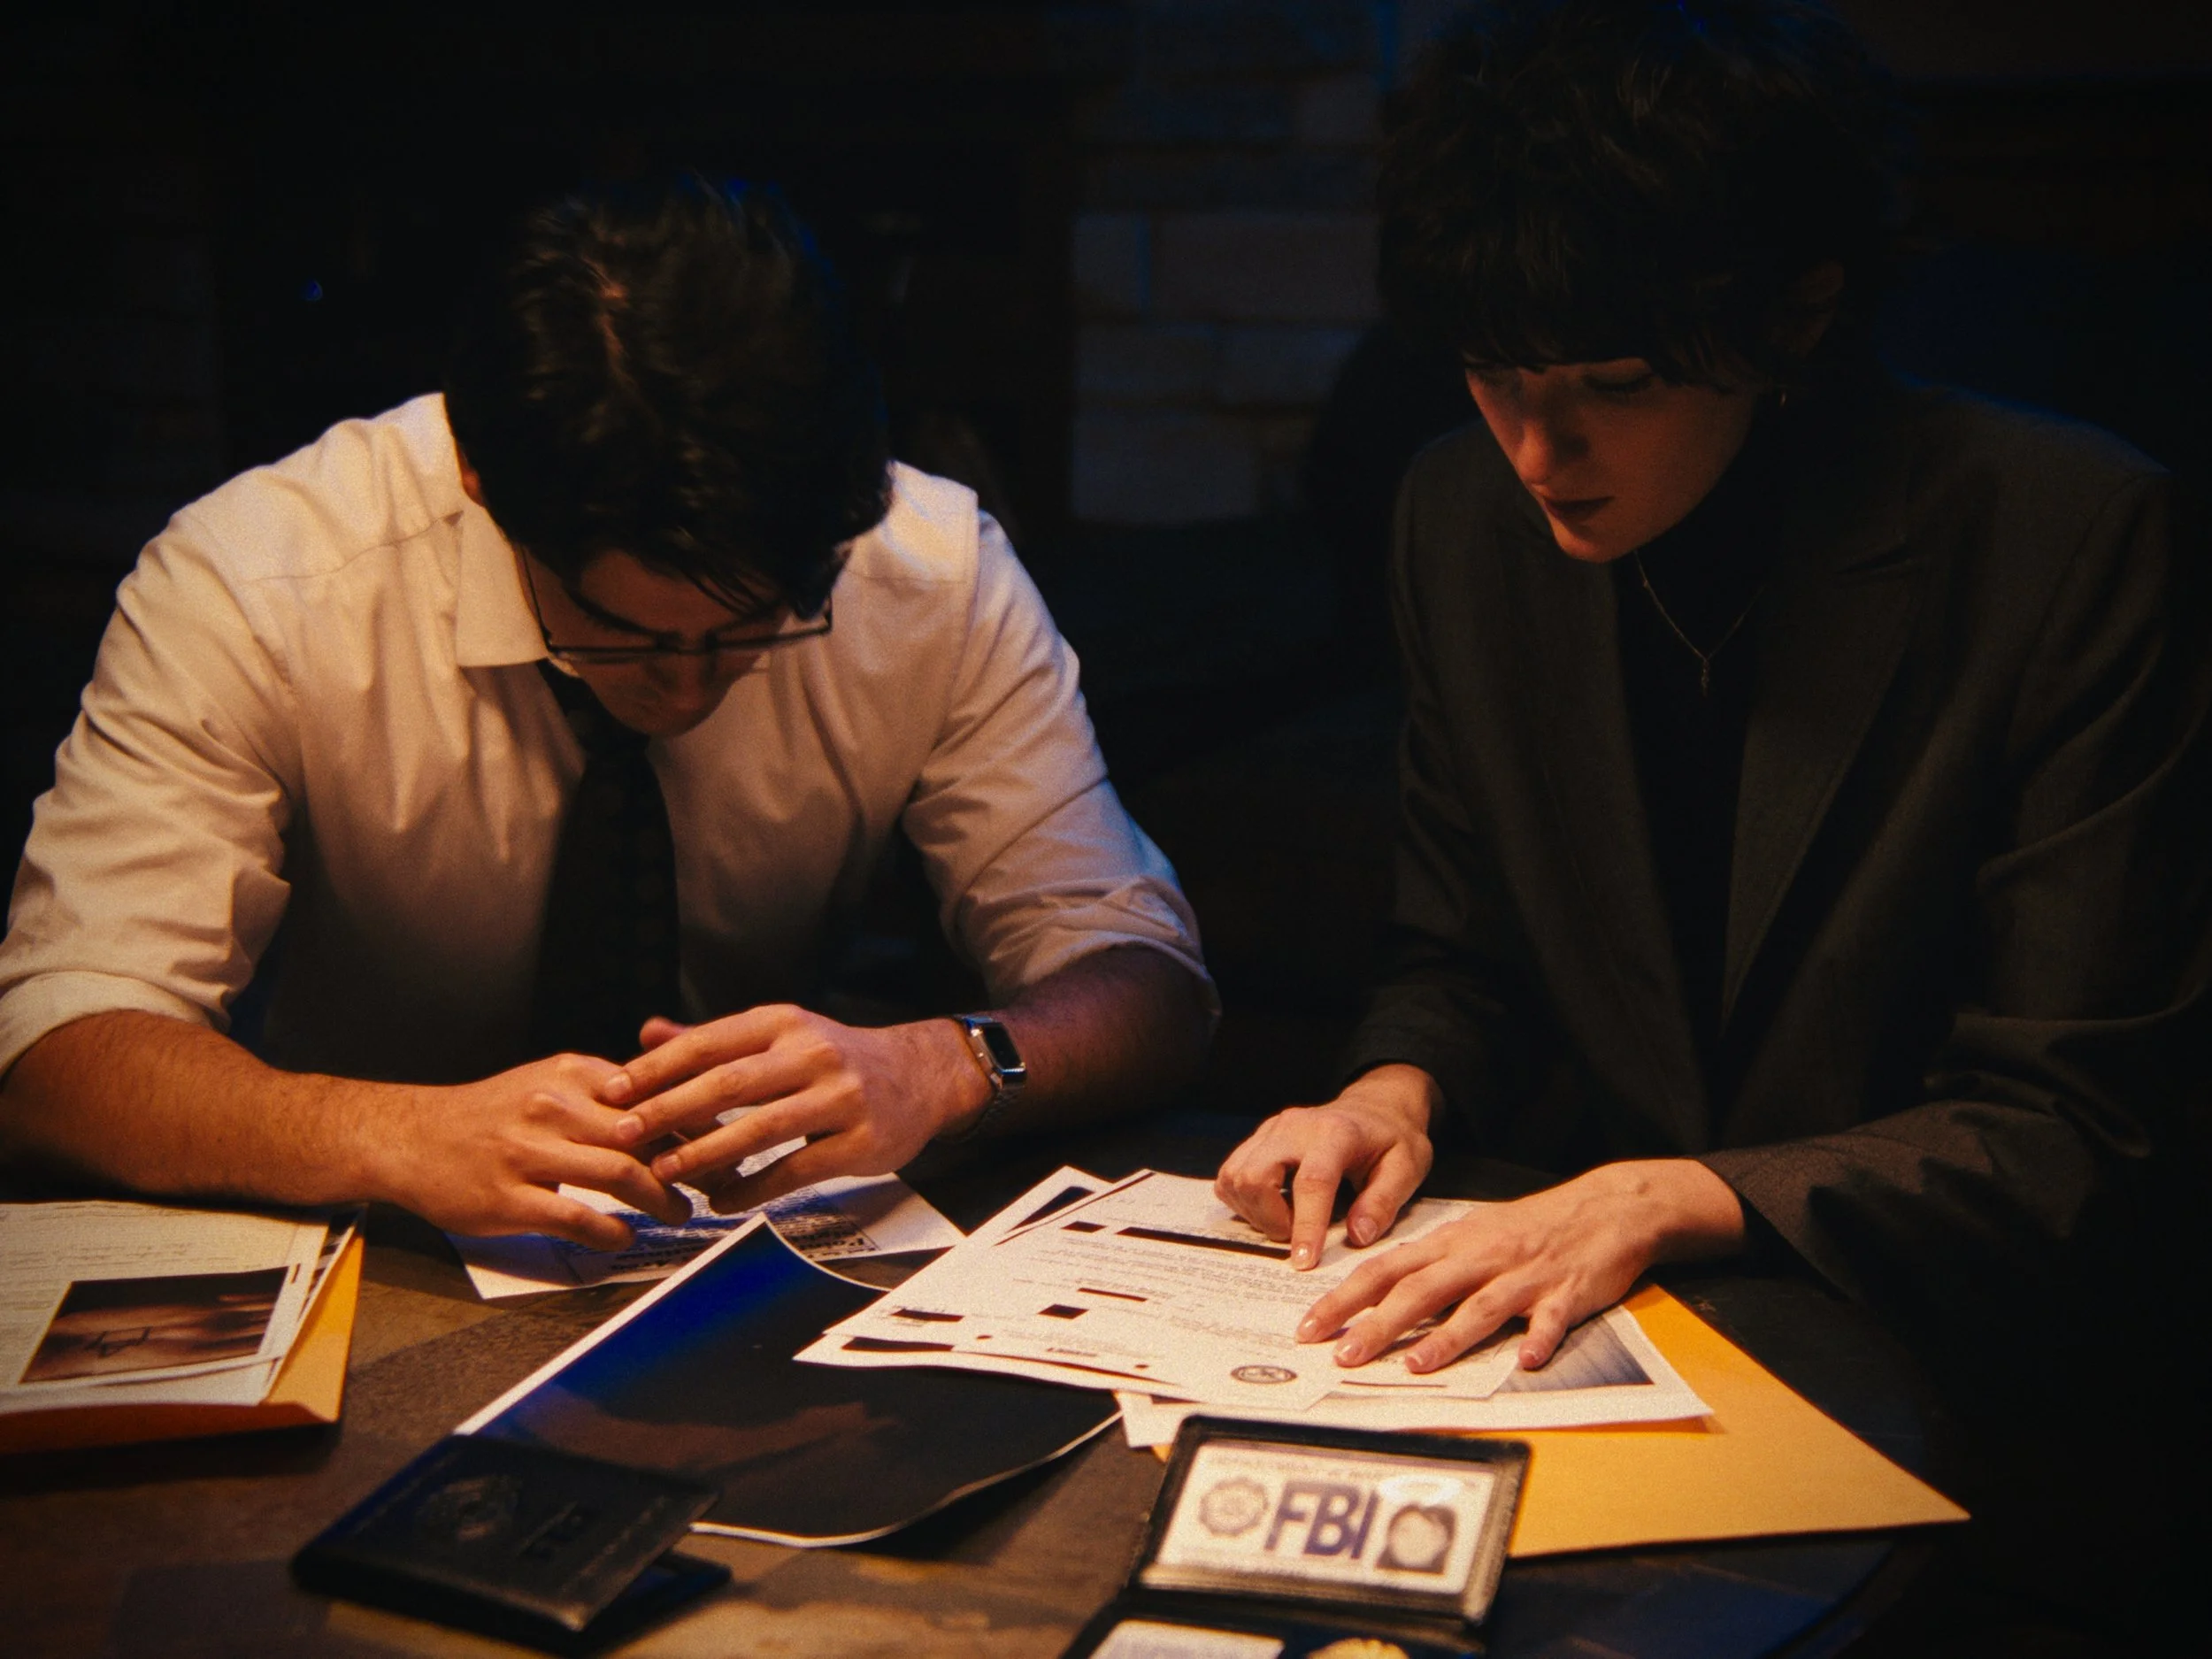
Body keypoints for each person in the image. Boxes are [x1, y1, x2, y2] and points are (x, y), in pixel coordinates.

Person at [1214, 0, 2206, 1408]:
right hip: (1613, 1334)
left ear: (1797, 309)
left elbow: (2077, 1129)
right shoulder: (1459, 515)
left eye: (1614, 384)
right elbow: (1465, 955)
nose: (1538, 451)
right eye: (1495, 377)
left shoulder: (2068, 538)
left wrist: (1679, 1195)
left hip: (1986, 1361)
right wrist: (1392, 1090)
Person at [0, 174, 1212, 1248]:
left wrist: (948, 1063)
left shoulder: (924, 570)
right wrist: (389, 1130)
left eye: (750, 630)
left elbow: (1148, 984)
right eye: (623, 632)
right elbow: (56, 1050)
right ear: (481, 480)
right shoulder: (261, 580)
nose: (686, 689)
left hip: (763, 1254)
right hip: (369, 1239)